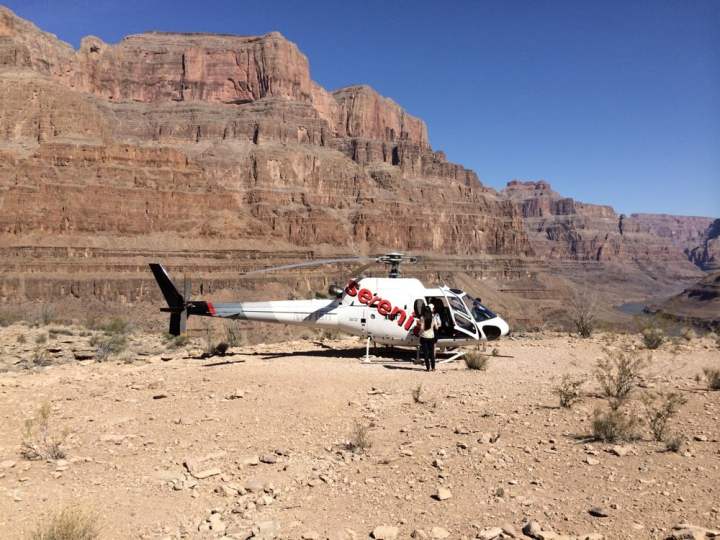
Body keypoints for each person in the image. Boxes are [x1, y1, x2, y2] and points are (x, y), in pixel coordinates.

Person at [419, 304, 441, 371]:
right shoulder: (433, 317)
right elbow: (436, 327)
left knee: (426, 353)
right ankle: (433, 368)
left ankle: (428, 368)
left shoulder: (422, 318)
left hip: (424, 336)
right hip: (431, 336)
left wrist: (419, 332)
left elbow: (422, 328)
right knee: (432, 353)